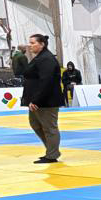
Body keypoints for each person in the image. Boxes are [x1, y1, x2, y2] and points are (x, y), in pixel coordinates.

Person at [21, 34, 64, 163]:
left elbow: (47, 81)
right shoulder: (39, 58)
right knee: (35, 124)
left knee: (49, 127)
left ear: (42, 44)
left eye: (33, 43)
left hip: (45, 101)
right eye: (29, 43)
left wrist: (36, 100)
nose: (30, 45)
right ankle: (51, 150)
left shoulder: (47, 59)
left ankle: (52, 154)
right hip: (36, 100)